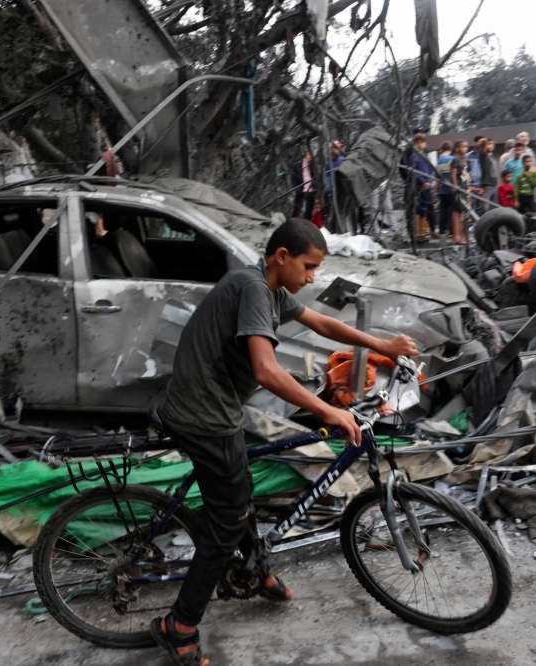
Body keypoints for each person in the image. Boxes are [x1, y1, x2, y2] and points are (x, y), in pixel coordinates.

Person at [152, 218, 418, 666]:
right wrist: (330, 411)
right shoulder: (253, 288)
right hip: (203, 417)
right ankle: (178, 626)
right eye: (309, 267)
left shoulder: (266, 287)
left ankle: (254, 570)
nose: (313, 277)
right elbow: (266, 369)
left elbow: (322, 323)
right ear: (281, 257)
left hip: (212, 408)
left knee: (240, 497)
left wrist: (383, 346)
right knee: (223, 526)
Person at [405, 128, 437, 240]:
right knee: (417, 210)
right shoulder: (412, 157)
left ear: (425, 143)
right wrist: (423, 182)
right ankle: (417, 232)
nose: (420, 145)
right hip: (417, 187)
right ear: (415, 144)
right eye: (418, 143)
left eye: (422, 143)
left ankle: (423, 232)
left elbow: (432, 170)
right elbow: (412, 171)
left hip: (427, 186)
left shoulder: (427, 156)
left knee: (424, 210)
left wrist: (429, 182)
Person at [435, 141, 462, 241]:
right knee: (454, 211)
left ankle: (442, 231)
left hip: (442, 190)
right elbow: (454, 175)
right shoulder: (453, 159)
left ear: (441, 149)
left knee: (443, 211)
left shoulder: (439, 160)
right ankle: (451, 232)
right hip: (451, 189)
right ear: (451, 149)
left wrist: (435, 190)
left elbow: (438, 177)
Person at [290, 149, 317, 219]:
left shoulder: (313, 162)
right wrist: (297, 188)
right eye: (309, 153)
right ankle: (292, 221)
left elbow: (316, 174)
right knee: (296, 208)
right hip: (301, 189)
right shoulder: (298, 162)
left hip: (311, 189)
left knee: (309, 209)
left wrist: (311, 162)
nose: (310, 156)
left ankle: (307, 224)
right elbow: (293, 177)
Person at [464, 135, 486, 211]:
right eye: (480, 142)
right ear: (475, 143)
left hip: (482, 185)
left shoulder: (486, 156)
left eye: (483, 142)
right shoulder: (467, 156)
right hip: (471, 186)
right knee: (470, 207)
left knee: (482, 208)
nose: (482, 144)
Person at [480, 138, 500, 213]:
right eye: (489, 144)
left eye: (493, 144)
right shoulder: (483, 156)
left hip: (494, 183)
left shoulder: (492, 157)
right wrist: (484, 142)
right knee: (485, 205)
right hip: (487, 184)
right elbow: (483, 146)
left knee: (494, 205)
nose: (491, 146)